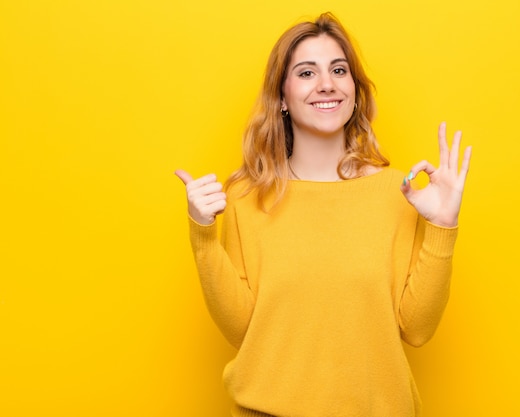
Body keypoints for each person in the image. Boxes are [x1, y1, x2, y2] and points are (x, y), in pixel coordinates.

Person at [175, 12, 471, 417]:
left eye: (338, 70)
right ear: (281, 96)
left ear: (354, 88)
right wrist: (204, 236)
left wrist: (442, 225)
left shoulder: (398, 193)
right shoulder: (246, 197)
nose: (326, 84)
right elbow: (240, 329)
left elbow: (417, 329)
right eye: (306, 73)